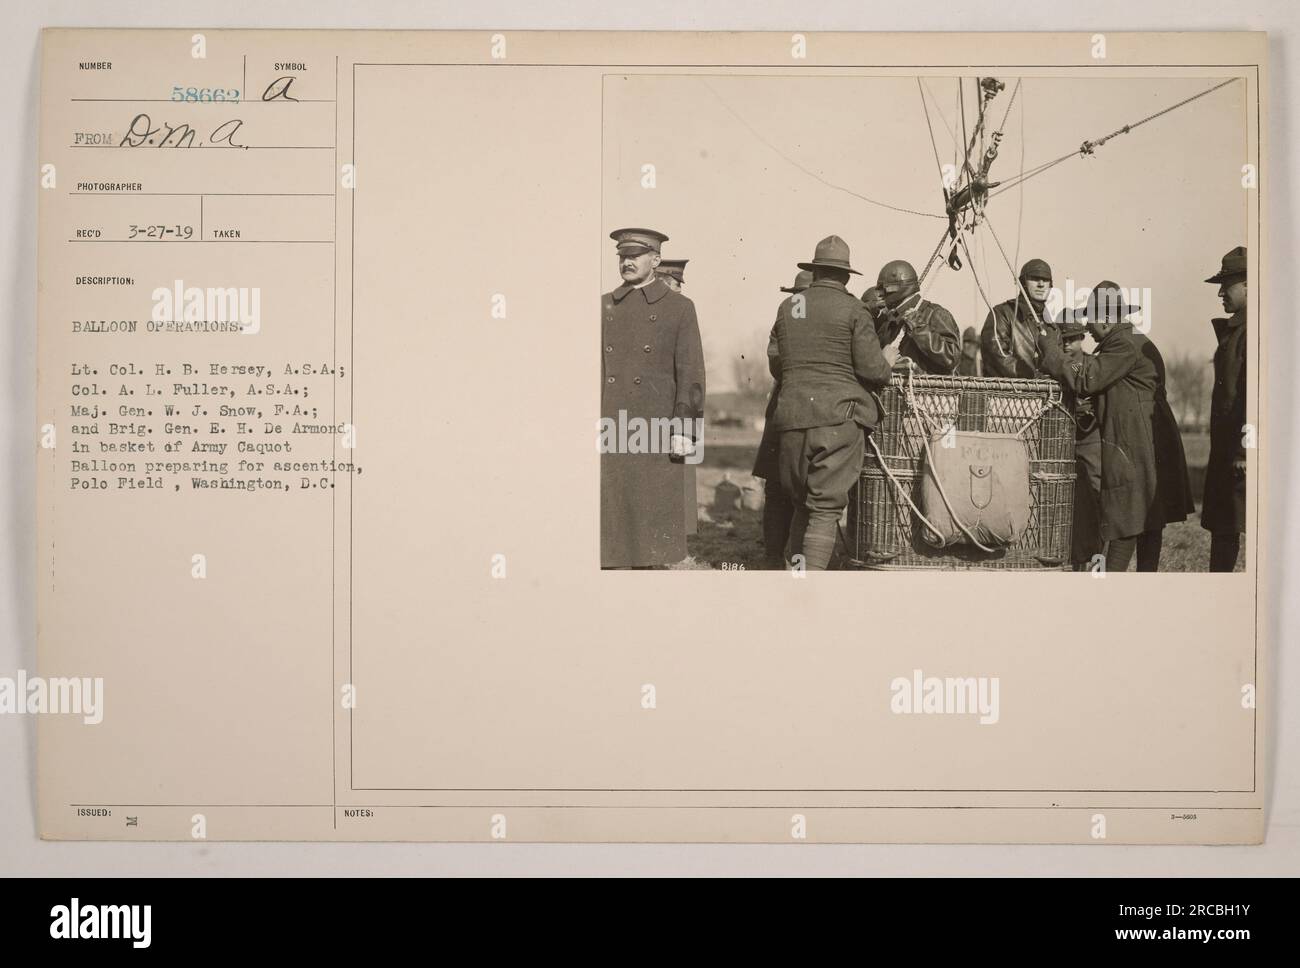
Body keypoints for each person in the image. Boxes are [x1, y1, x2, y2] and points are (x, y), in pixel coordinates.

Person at [767, 237, 891, 570]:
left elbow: (777, 364)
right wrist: (887, 360)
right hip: (837, 420)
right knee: (824, 508)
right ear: (847, 276)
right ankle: (809, 595)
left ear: (815, 270)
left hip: (790, 421)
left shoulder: (788, 307)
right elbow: (873, 370)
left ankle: (794, 583)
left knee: (802, 505)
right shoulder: (854, 310)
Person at [1037, 281, 1163, 573]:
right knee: (1146, 519)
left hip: (1134, 443)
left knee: (1124, 519)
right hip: (1144, 442)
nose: (1088, 328)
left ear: (1106, 319)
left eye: (1091, 319)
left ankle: (1109, 593)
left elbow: (1087, 380)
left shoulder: (1122, 344)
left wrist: (1051, 351)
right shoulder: (1131, 338)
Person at [601, 228, 706, 568]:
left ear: (656, 259)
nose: (626, 262)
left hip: (655, 430)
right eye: (622, 256)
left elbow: (690, 373)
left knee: (650, 537)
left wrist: (684, 430)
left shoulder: (679, 307)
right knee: (611, 533)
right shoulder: (604, 305)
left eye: (635, 255)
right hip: (610, 426)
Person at [751, 269, 810, 567]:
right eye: (796, 297)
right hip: (786, 412)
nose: (798, 302)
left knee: (793, 492)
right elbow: (777, 365)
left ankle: (788, 559)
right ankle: (776, 558)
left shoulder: (785, 322)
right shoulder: (784, 324)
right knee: (779, 490)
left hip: (789, 411)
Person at [1201, 246, 1248, 572]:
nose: (1220, 292)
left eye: (1227, 283)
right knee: (1225, 525)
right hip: (1229, 449)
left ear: (1249, 284)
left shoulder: (1256, 331)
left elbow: (1257, 395)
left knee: (1238, 523)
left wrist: (1246, 450)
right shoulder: (1237, 331)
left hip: (1241, 452)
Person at [655, 257, 699, 535]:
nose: (679, 291)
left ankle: (677, 530)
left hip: (677, 406)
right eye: (674, 285)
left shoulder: (680, 312)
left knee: (679, 472)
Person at [860, 260, 961, 374]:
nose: (879, 294)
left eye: (882, 288)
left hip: (926, 390)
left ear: (896, 288)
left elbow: (951, 358)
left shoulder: (935, 313)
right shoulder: (890, 321)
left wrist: (919, 327)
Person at [1057, 319, 1103, 567]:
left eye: (1072, 338)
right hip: (1065, 441)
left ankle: (1098, 562)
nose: (1067, 344)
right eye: (1063, 339)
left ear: (1082, 338)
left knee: (1096, 501)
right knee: (1070, 504)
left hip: (1090, 439)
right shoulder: (1053, 365)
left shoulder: (1092, 364)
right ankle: (1075, 562)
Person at [981, 258, 1056, 377]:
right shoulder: (1003, 313)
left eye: (1045, 280)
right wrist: (1031, 376)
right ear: (1023, 283)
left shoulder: (1051, 325)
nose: (1041, 284)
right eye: (1035, 278)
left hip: (1047, 394)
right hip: (1009, 393)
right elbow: (996, 355)